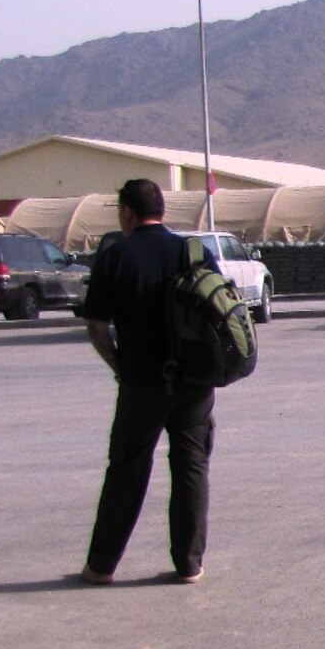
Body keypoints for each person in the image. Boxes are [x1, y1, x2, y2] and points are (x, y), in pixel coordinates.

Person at [77, 179, 214, 584]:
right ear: (162, 211)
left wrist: (119, 365)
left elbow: (97, 327)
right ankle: (189, 565)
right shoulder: (194, 252)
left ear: (126, 212)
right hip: (194, 384)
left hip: (141, 382)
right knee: (191, 467)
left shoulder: (116, 257)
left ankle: (102, 566)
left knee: (127, 470)